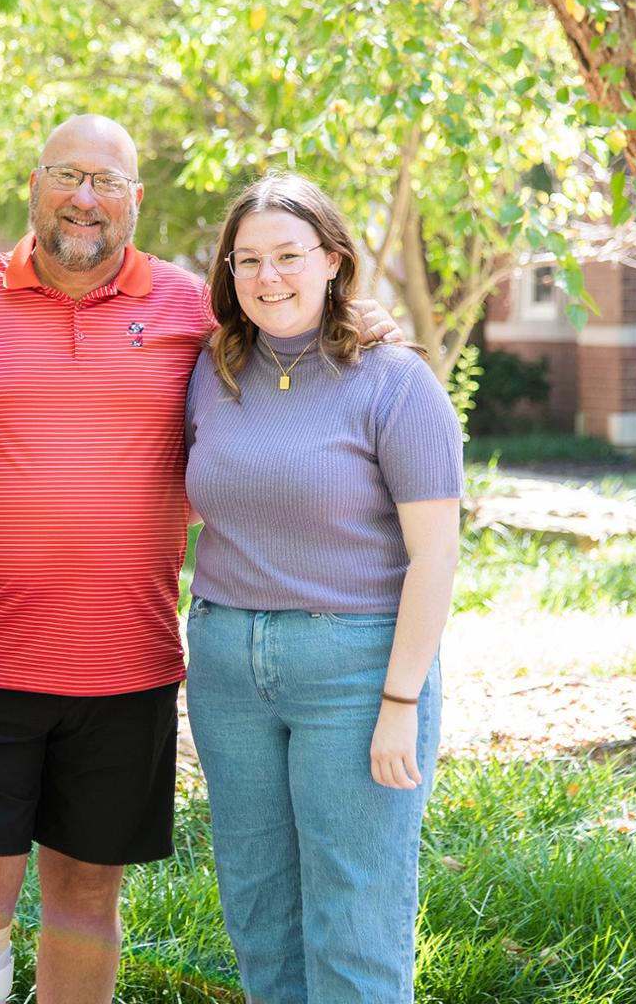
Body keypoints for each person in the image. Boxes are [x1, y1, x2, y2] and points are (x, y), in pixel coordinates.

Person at [0, 115, 399, 1004]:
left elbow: (294, 319)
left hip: (127, 666)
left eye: (109, 182)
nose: (86, 199)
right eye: (67, 176)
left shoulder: (191, 308)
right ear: (34, 186)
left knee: (87, 896)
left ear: (136, 200)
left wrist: (366, 323)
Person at [182, 173, 462, 1003]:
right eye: (248, 262)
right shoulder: (212, 371)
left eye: (289, 257)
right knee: (260, 912)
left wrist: (401, 700)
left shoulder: (395, 383)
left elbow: (436, 559)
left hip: (357, 669)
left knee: (355, 920)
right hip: (229, 664)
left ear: (333, 261)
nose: (269, 278)